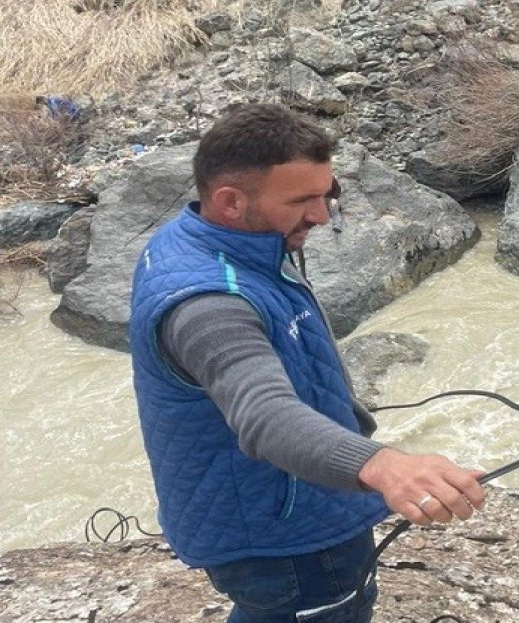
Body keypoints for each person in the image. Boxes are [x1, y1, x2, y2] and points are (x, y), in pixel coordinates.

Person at [128, 103, 486, 623]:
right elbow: (265, 414)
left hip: (266, 503)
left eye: (327, 194)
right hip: (287, 533)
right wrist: (383, 464)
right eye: (302, 200)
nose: (321, 216)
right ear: (230, 201)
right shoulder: (208, 304)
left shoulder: (208, 240)